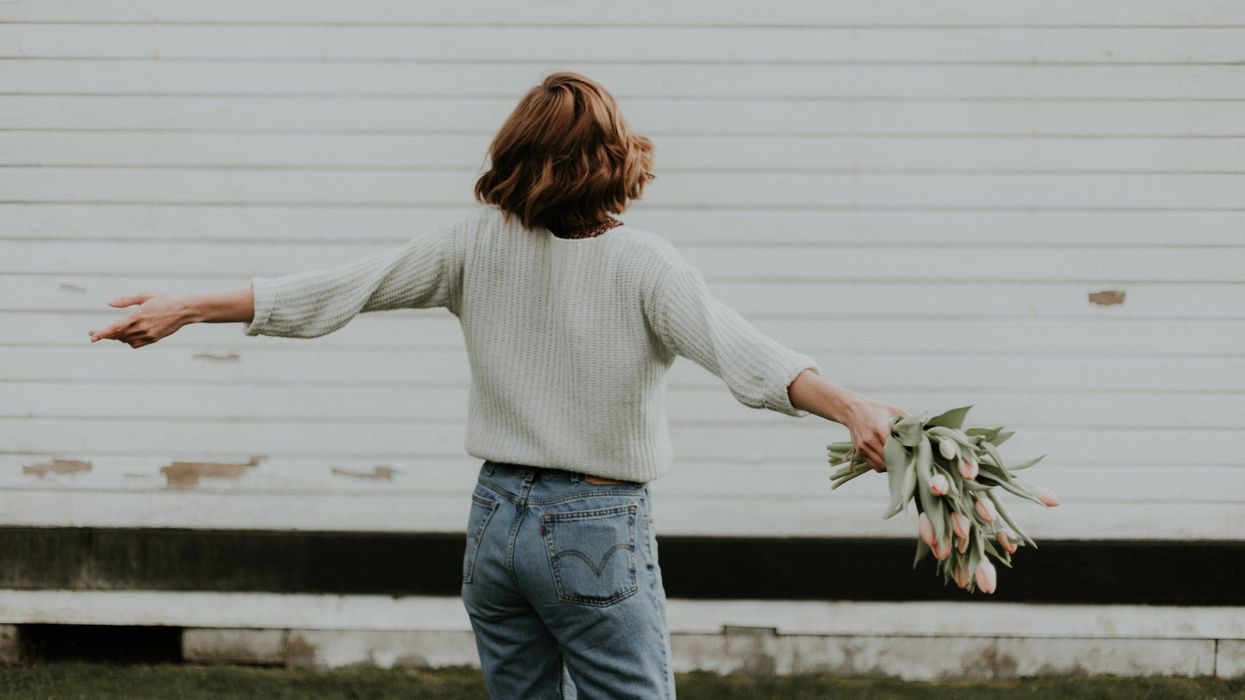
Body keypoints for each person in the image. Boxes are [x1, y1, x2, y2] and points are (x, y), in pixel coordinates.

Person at [87, 71, 906, 699]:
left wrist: (191, 305)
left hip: (494, 523)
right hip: (593, 526)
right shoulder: (645, 265)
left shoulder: (472, 244)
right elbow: (750, 358)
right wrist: (851, 407)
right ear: (615, 159)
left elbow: (339, 289)